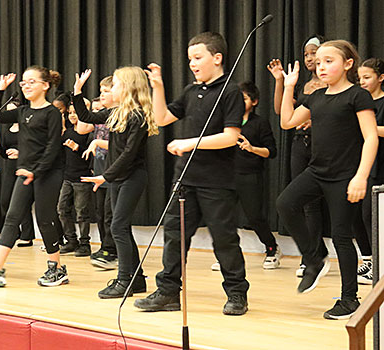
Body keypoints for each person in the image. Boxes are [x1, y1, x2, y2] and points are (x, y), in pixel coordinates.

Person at [134, 32, 250, 315]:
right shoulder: (189, 91)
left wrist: (189, 143)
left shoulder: (231, 91)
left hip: (217, 181)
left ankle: (237, 294)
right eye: (190, 59)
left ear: (217, 58)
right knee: (175, 236)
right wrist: (158, 87)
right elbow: (161, 119)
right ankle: (168, 292)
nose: (193, 64)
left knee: (224, 239)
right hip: (185, 178)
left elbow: (230, 136)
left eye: (198, 58)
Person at [276, 40, 378, 319]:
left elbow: (371, 137)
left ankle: (349, 300)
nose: (321, 66)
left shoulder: (358, 96)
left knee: (343, 237)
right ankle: (315, 256)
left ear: (348, 64)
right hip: (317, 171)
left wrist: (361, 176)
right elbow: (287, 122)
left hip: (345, 176)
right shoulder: (316, 97)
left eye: (329, 61)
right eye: (318, 62)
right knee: (285, 204)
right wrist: (288, 86)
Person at [0, 67, 67, 287]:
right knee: (12, 217)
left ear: (45, 85)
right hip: (26, 172)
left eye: (32, 82)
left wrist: (37, 171)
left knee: (45, 219)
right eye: (23, 83)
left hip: (48, 172)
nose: (26, 86)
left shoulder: (51, 112)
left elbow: (53, 147)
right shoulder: (22, 111)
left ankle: (57, 268)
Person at [73, 66, 158, 299]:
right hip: (118, 177)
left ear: (129, 88)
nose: (112, 89)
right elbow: (86, 117)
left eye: (117, 84)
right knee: (120, 227)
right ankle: (136, 279)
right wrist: (78, 91)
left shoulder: (137, 115)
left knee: (118, 226)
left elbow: (129, 154)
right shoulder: (116, 112)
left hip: (131, 177)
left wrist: (105, 176)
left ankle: (124, 280)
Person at [268, 35, 329, 277]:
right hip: (298, 145)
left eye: (314, 52)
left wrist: (313, 123)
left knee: (314, 204)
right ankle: (314, 252)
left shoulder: (330, 84)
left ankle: (311, 256)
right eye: (306, 54)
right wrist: (279, 82)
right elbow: (280, 111)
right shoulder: (303, 86)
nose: (310, 58)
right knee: (301, 202)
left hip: (321, 146)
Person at [235, 81, 279, 268]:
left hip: (250, 174)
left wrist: (252, 148)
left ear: (254, 101)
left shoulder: (260, 123)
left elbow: (272, 151)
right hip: (226, 174)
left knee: (254, 216)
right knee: (223, 216)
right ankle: (229, 256)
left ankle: (271, 247)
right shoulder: (228, 121)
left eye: (244, 98)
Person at [77, 77, 118, 270]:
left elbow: (121, 147)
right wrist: (78, 91)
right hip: (99, 170)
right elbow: (81, 125)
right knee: (100, 214)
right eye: (100, 90)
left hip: (114, 172)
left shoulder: (118, 116)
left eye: (106, 90)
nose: (101, 94)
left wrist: (97, 142)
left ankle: (112, 250)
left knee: (111, 215)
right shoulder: (101, 115)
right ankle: (105, 247)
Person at [354, 58, 384, 285]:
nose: (362, 82)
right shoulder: (358, 101)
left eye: (367, 77)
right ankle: (369, 259)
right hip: (357, 164)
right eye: (360, 78)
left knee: (370, 215)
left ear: (380, 78)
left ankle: (380, 264)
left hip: (379, 165)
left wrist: (368, 126)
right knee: (355, 215)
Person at [0, 99, 35, 248]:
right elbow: (1, 147)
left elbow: (32, 147)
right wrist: (6, 153)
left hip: (24, 165)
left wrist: (20, 153)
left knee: (22, 201)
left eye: (12, 110)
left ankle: (27, 235)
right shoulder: (6, 129)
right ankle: (14, 232)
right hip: (9, 166)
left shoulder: (27, 128)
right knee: (5, 200)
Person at [58, 104, 94, 257]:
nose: (72, 115)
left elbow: (91, 157)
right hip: (67, 177)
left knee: (82, 213)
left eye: (76, 112)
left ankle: (85, 244)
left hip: (82, 178)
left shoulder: (88, 133)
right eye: (70, 113)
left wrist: (77, 148)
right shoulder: (67, 133)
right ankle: (71, 240)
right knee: (62, 209)